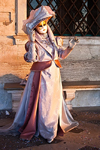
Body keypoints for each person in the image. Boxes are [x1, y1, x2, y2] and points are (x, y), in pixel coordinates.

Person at [0, 6, 79, 143]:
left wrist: (70, 47)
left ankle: (52, 127)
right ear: (34, 27)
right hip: (41, 76)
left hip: (54, 74)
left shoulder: (54, 39)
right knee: (43, 102)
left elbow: (61, 56)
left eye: (45, 24)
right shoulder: (31, 43)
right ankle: (45, 130)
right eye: (39, 25)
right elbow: (32, 59)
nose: (42, 27)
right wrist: (31, 41)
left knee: (52, 102)